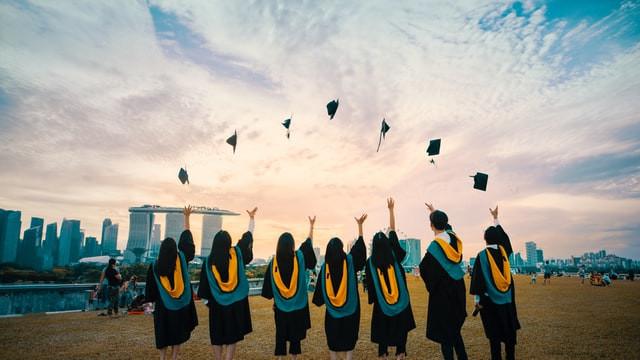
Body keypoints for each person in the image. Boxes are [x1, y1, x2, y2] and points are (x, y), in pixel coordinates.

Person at [198, 207, 257, 360]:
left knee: (217, 335)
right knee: (232, 335)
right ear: (229, 243)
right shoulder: (236, 254)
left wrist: (210, 303)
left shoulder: (208, 262)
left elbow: (203, 290)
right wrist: (251, 219)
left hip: (216, 305)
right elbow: (247, 238)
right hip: (235, 304)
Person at [365, 198, 416, 360]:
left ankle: (383, 355)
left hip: (381, 304)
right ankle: (400, 355)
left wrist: (373, 298)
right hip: (401, 301)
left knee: (382, 333)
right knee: (401, 329)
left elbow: (370, 285)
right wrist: (391, 210)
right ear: (388, 245)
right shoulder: (395, 256)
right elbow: (393, 231)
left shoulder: (370, 263)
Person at [145, 206, 198, 360]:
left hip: (163, 306)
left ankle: (163, 358)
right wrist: (187, 218)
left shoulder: (154, 266)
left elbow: (150, 290)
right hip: (180, 306)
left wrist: (149, 307)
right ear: (175, 249)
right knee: (177, 333)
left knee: (164, 334)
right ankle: (174, 357)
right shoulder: (181, 259)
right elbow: (187, 241)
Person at [261, 216, 318, 359]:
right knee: (295, 337)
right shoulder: (299, 257)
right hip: (298, 307)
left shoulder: (273, 263)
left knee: (280, 335)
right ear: (292, 245)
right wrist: (311, 227)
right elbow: (308, 244)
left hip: (280, 308)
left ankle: (280, 358)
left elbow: (268, 291)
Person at [312, 214, 367, 360]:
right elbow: (360, 249)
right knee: (350, 332)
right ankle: (348, 358)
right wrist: (360, 226)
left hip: (332, 311)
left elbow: (318, 296)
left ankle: (334, 357)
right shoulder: (350, 260)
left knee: (333, 334)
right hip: (351, 308)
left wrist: (319, 300)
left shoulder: (325, 268)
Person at [470, 206, 521, 360]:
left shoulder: (482, 256)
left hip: (490, 302)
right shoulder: (504, 252)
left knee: (494, 337)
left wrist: (477, 301)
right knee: (509, 334)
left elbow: (478, 281)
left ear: (484, 238)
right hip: (507, 301)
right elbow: (505, 239)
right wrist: (496, 218)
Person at [419, 203, 468, 360]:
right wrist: (435, 212)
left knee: (445, 333)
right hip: (458, 289)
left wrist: (432, 287)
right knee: (454, 329)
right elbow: (448, 227)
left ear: (431, 225)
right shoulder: (454, 239)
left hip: (443, 294)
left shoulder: (434, 248)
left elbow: (424, 269)